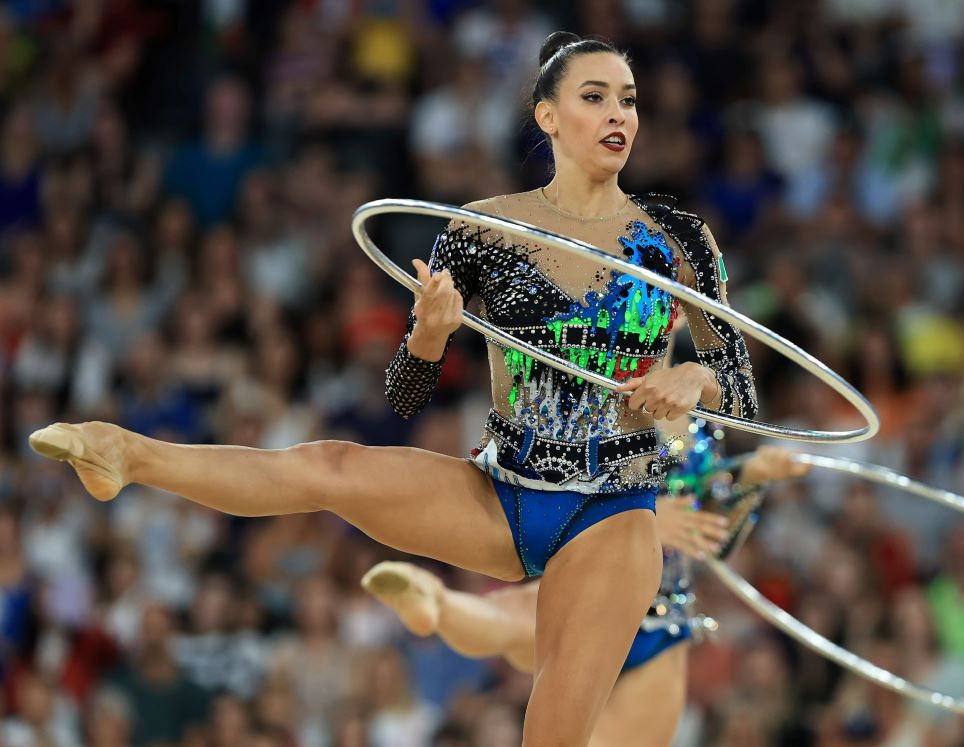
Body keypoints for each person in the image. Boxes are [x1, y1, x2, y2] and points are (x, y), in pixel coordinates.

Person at [29, 32, 757, 745]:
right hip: (506, 488)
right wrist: (428, 337)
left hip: (615, 506)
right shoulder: (483, 230)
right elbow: (405, 397)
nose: (618, 116)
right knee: (329, 466)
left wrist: (693, 373)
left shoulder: (676, 238)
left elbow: (740, 392)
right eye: (594, 98)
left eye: (627, 101)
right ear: (546, 115)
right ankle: (124, 452)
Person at [363, 437, 807, 747]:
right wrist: (647, 516)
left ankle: (439, 602)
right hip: (639, 607)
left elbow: (709, 534)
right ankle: (436, 603)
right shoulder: (608, 374)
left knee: (503, 621)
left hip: (613, 590)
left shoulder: (691, 419)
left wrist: (751, 477)